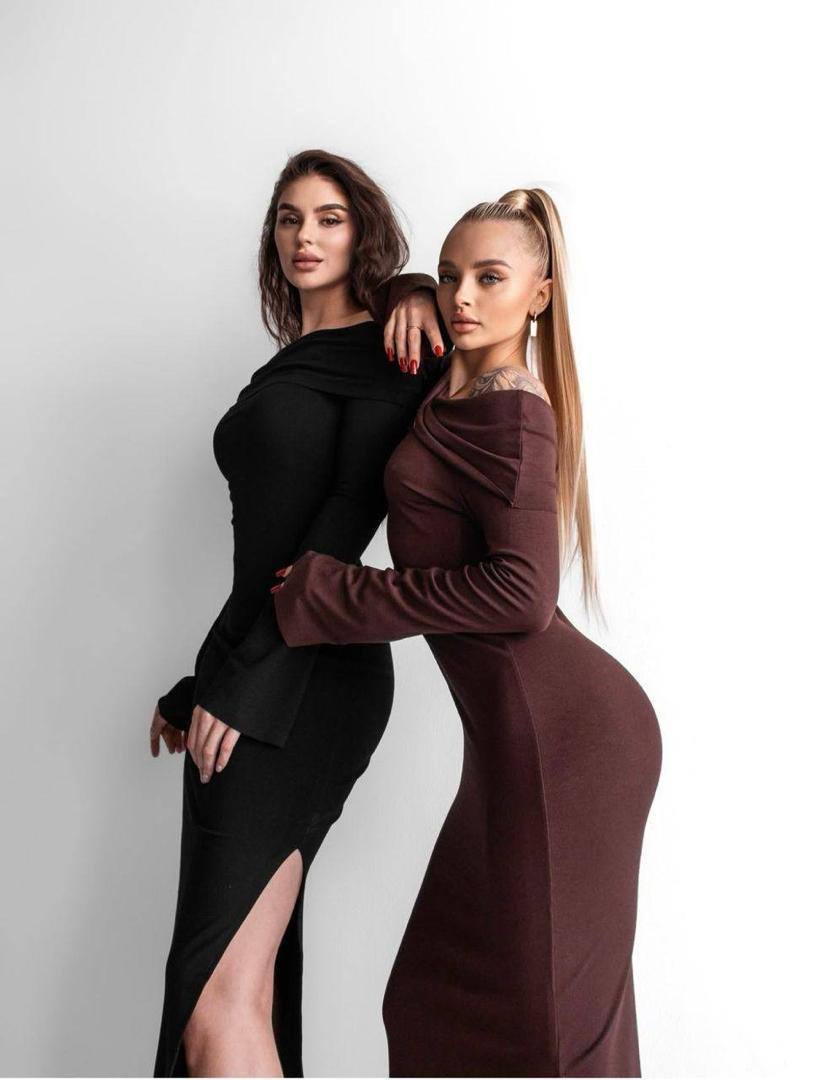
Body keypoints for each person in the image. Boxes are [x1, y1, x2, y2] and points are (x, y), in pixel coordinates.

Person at [272, 187, 663, 1078]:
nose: (463, 297)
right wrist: (410, 289)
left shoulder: (512, 410)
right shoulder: (459, 376)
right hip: (512, 741)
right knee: (428, 1001)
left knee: (547, 1030)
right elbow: (393, 292)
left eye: (491, 278)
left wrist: (335, 594)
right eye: (452, 277)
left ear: (540, 294)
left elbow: (522, 594)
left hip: (569, 741)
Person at [150, 148, 450, 1078]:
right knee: (235, 989)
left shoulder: (392, 350)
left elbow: (336, 530)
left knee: (217, 1000)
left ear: (363, 234)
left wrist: (248, 681)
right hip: (257, 666)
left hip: (308, 679)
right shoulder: (295, 361)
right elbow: (265, 554)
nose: (304, 236)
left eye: (329, 218)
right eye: (288, 218)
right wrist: (207, 679)